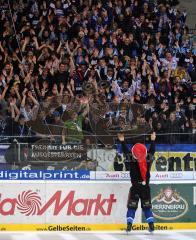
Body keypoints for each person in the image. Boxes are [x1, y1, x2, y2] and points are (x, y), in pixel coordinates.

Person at [117, 131, 156, 232]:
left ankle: (129, 225)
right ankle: (151, 225)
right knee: (147, 208)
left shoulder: (131, 159)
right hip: (145, 188)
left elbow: (126, 152)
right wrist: (152, 140)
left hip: (135, 188)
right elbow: (152, 151)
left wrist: (122, 141)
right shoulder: (148, 159)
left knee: (132, 207)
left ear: (134, 151)